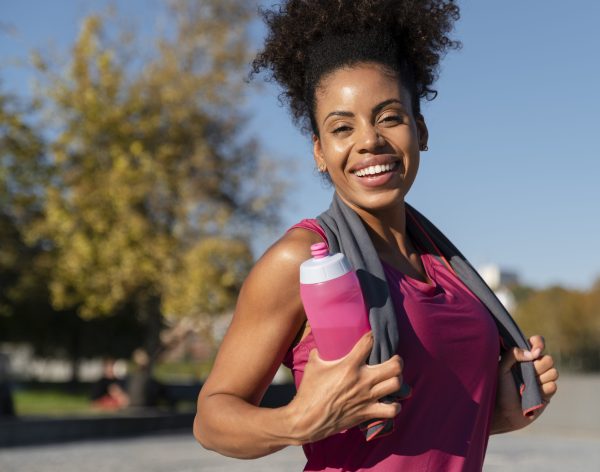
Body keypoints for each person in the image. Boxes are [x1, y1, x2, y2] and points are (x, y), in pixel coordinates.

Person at [194, 1, 559, 470]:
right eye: (342, 127)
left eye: (389, 117)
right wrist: (298, 421)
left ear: (420, 129)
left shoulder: (450, 269)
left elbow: (423, 425)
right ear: (320, 152)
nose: (369, 140)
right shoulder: (304, 258)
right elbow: (211, 419)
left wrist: (500, 414)